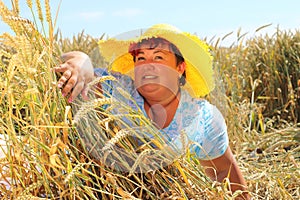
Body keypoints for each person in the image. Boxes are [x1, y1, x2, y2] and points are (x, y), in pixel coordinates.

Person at [54, 24, 249, 199]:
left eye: (158, 57)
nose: (148, 65)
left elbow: (224, 172)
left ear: (180, 68)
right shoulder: (119, 90)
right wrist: (79, 61)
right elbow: (86, 72)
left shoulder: (202, 118)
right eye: (141, 58)